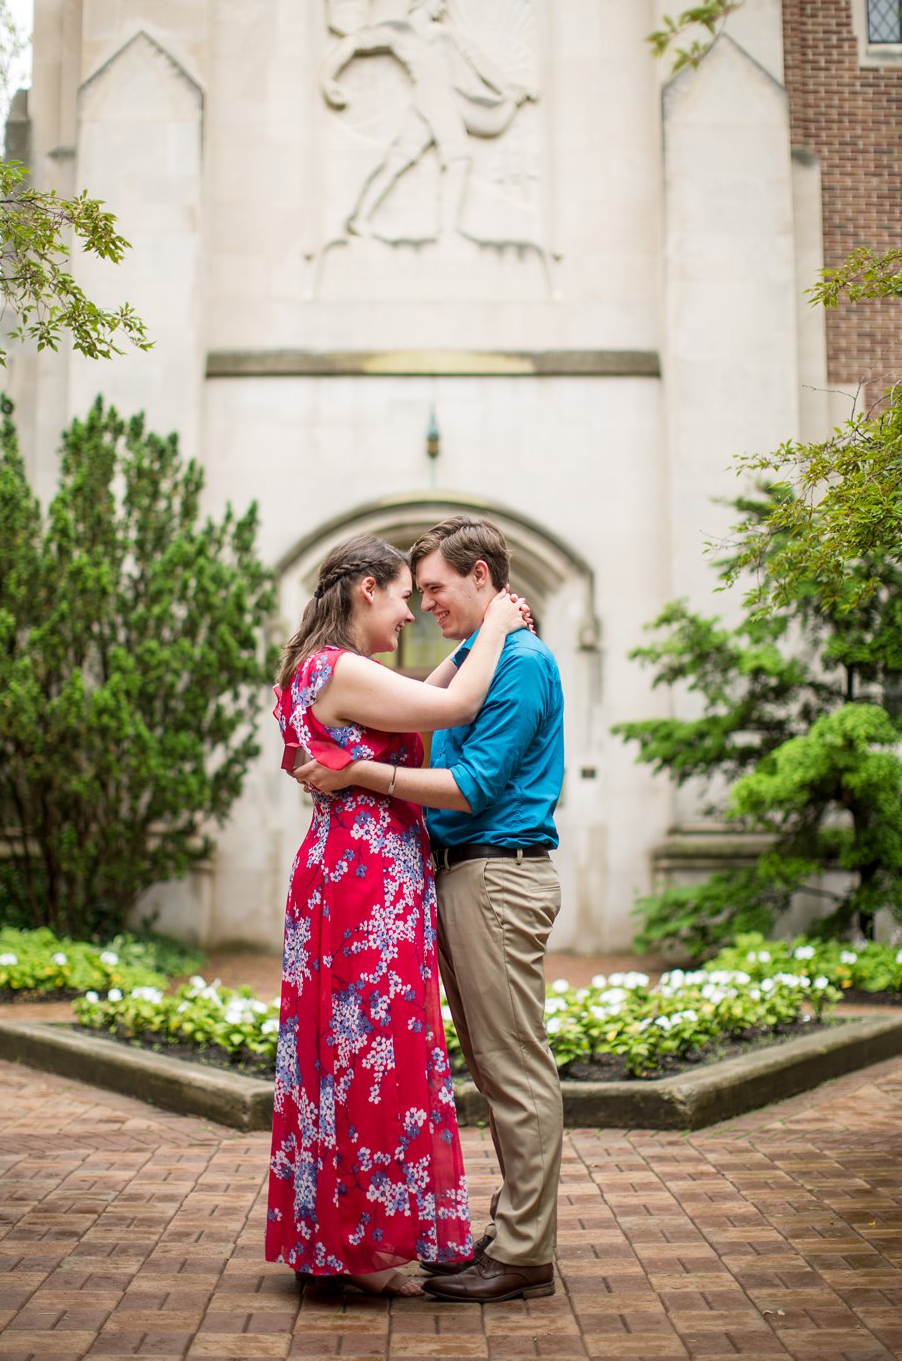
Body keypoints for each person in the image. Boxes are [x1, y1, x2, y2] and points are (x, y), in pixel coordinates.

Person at [296, 516, 565, 1304]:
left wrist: (361, 778)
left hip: (496, 877)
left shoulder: (520, 662)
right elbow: (432, 701)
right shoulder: (483, 655)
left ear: (483, 577)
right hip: (456, 875)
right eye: (417, 593)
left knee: (514, 1067)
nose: (428, 607)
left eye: (440, 589)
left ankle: (524, 1251)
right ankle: (515, 1229)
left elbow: (472, 786)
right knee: (492, 1066)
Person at [319, 0, 537, 239]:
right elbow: (353, 42)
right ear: (425, 1)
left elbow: (479, 62)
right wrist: (327, 78)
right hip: (434, 97)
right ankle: (448, 232)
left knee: (399, 158)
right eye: (440, 1)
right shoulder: (398, 31)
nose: (444, 7)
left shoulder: (446, 34)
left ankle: (359, 219)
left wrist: (507, 88)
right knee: (458, 158)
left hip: (441, 98)